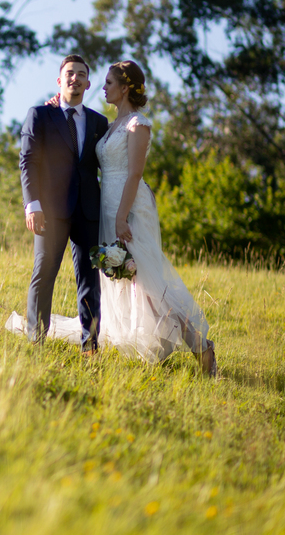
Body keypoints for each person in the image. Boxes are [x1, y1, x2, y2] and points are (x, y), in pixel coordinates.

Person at [90, 60, 217, 375]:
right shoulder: (111, 125)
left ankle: (202, 348)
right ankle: (155, 344)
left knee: (149, 282)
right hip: (109, 206)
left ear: (125, 87)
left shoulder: (138, 124)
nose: (103, 88)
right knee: (126, 278)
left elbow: (134, 173)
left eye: (109, 82)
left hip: (129, 208)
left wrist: (122, 217)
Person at [14, 54, 109, 353]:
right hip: (49, 211)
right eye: (69, 73)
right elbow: (28, 161)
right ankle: (36, 341)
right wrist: (32, 204)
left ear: (88, 83)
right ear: (59, 80)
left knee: (90, 282)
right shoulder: (40, 115)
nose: (75, 78)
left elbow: (106, 165)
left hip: (88, 211)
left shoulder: (99, 122)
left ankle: (90, 347)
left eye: (81, 74)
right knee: (43, 274)